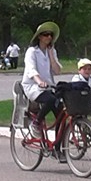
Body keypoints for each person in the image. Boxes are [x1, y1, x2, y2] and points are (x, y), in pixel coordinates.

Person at [21, 21, 64, 152]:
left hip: (49, 87)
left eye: (51, 35)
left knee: (62, 114)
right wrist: (39, 81)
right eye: (45, 34)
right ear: (39, 36)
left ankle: (58, 149)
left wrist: (51, 55)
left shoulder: (52, 51)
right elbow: (31, 69)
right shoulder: (32, 52)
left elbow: (57, 71)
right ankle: (36, 123)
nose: (49, 37)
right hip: (33, 86)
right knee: (50, 100)